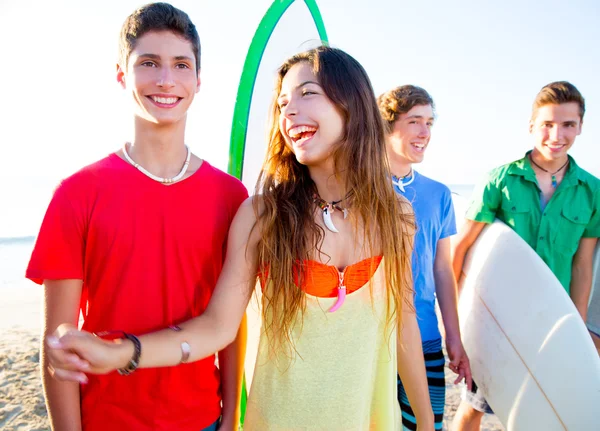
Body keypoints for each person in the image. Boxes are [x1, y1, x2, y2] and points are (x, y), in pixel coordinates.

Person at [43, 46, 436, 430]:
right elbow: (216, 328)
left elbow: (402, 321)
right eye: (282, 104)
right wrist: (123, 352)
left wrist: (426, 417)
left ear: (353, 103)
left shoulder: (397, 216)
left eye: (307, 93)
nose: (290, 111)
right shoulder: (263, 215)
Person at [26, 3, 248, 431]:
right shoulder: (76, 194)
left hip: (202, 419)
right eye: (149, 63)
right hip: (108, 420)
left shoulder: (231, 197)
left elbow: (229, 323)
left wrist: (231, 418)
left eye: (181, 65)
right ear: (121, 75)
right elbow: (57, 341)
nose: (166, 79)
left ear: (198, 81)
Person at [451, 81, 600, 430]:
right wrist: (460, 324)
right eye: (547, 124)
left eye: (567, 125)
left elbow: (582, 265)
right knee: (475, 406)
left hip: (552, 323)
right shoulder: (500, 180)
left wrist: (574, 329)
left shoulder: (592, 191)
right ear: (531, 125)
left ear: (580, 126)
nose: (556, 134)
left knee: (541, 413)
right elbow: (461, 251)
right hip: (499, 323)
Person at [378, 85, 472, 431]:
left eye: (429, 123)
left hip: (426, 335)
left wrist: (454, 338)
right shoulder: (359, 188)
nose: (424, 133)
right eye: (414, 121)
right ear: (386, 127)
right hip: (374, 337)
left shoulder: (438, 193)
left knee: (427, 424)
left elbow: (442, 270)